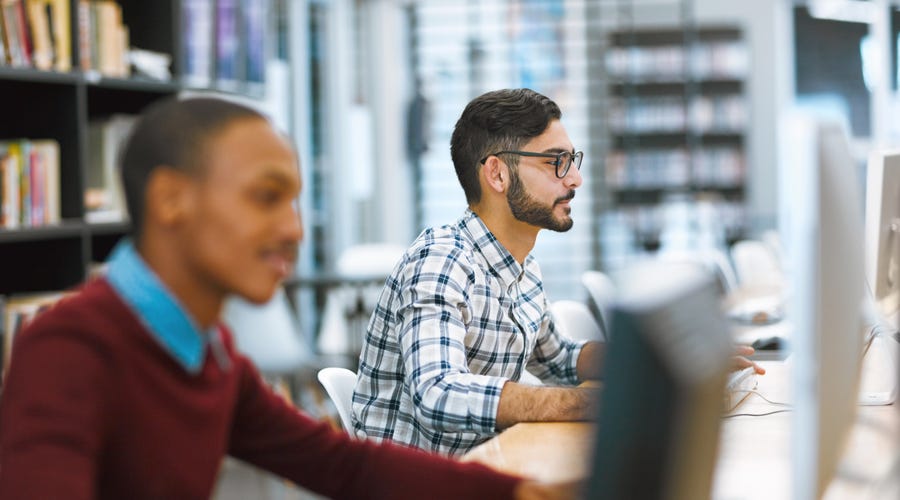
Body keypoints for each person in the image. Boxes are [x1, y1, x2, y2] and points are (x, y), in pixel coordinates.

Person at [0, 96, 574, 500]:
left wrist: (523, 492)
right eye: (266, 197)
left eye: (295, 201)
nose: (294, 229)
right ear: (171, 199)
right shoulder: (71, 348)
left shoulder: (208, 351)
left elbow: (339, 466)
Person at [351, 88, 763, 457]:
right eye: (556, 163)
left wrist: (671, 361)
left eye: (572, 161)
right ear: (497, 173)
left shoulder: (523, 267)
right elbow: (439, 393)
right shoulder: (442, 261)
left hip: (486, 469)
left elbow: (561, 359)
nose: (577, 179)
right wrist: (600, 405)